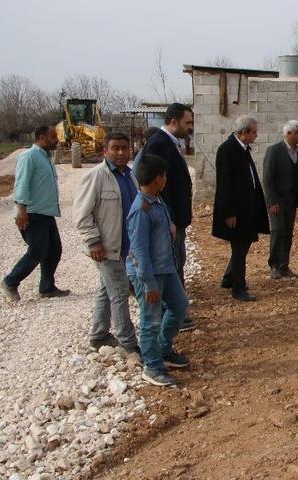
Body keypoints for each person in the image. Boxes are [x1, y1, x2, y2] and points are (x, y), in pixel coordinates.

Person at [126, 154, 190, 387]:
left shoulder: (156, 200)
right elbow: (139, 250)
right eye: (164, 176)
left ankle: (163, 350)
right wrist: (148, 283)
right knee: (150, 320)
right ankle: (152, 366)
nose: (166, 180)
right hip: (149, 274)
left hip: (166, 268)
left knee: (180, 306)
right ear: (157, 179)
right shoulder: (141, 209)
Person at [74, 132, 140, 355]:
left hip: (123, 247)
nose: (121, 153)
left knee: (106, 289)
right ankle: (128, 343)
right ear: (106, 151)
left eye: (124, 148)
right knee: (120, 292)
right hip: (104, 248)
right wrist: (93, 242)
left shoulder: (130, 177)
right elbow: (82, 215)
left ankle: (99, 334)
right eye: (115, 148)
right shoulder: (96, 176)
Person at [0, 125, 70, 302]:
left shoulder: (46, 157)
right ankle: (11, 281)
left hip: (46, 213)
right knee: (37, 251)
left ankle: (47, 287)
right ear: (41, 137)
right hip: (32, 213)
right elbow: (21, 184)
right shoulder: (29, 156)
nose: (57, 140)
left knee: (54, 250)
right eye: (53, 137)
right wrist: (21, 210)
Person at [143, 103, 196, 331]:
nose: (190, 128)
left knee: (177, 263)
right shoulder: (159, 144)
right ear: (173, 121)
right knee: (171, 266)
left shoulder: (170, 143)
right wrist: (169, 219)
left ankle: (177, 313)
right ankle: (172, 316)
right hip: (169, 221)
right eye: (188, 123)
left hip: (174, 220)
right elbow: (156, 188)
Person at [212, 115, 269, 301]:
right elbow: (225, 184)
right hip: (236, 212)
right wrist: (229, 212)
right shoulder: (227, 150)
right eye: (254, 132)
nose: (256, 135)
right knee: (239, 248)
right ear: (244, 132)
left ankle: (229, 278)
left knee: (242, 247)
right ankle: (238, 288)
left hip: (247, 209)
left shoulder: (242, 149)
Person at [263, 120, 298, 280]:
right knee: (277, 231)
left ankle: (284, 266)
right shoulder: (274, 151)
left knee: (288, 233)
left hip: (291, 201)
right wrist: (271, 202)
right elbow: (268, 179)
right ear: (289, 134)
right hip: (277, 202)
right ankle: (274, 266)